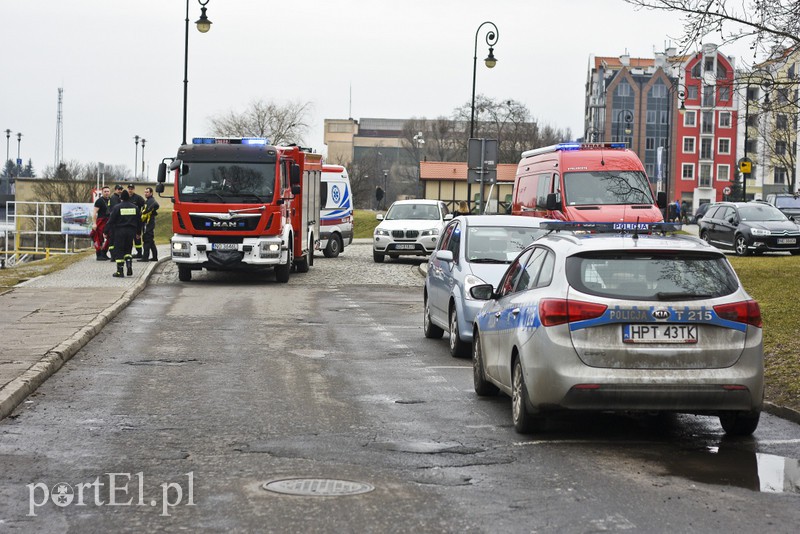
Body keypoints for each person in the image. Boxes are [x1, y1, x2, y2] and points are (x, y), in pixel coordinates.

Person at [104, 189, 141, 278]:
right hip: (131, 232)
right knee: (128, 250)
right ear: (129, 198)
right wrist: (138, 232)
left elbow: (111, 221)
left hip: (119, 231)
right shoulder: (135, 207)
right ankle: (129, 265)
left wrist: (106, 231)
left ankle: (120, 271)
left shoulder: (117, 207)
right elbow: (139, 221)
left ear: (121, 198)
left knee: (119, 250)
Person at [138, 187, 160, 262]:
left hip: (148, 224)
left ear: (151, 193)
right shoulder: (148, 201)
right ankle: (154, 257)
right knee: (150, 241)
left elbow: (156, 205)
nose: (146, 193)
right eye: (145, 192)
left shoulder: (151, 201)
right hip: (147, 223)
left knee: (147, 240)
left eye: (147, 192)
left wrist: (145, 212)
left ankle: (145, 257)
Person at [91, 186, 112, 261]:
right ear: (102, 192)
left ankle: (104, 252)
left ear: (110, 192)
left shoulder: (111, 200)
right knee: (98, 238)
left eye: (108, 191)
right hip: (101, 221)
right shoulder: (99, 201)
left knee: (110, 237)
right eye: (105, 191)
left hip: (109, 221)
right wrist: (94, 223)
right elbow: (94, 213)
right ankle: (98, 254)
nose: (106, 193)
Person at [127, 184, 146, 258]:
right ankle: (128, 253)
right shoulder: (125, 197)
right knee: (128, 239)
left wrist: (141, 213)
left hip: (136, 221)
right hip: (128, 221)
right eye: (129, 188)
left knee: (137, 238)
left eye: (132, 189)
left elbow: (145, 205)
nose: (130, 190)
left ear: (134, 189)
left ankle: (139, 253)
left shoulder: (138, 198)